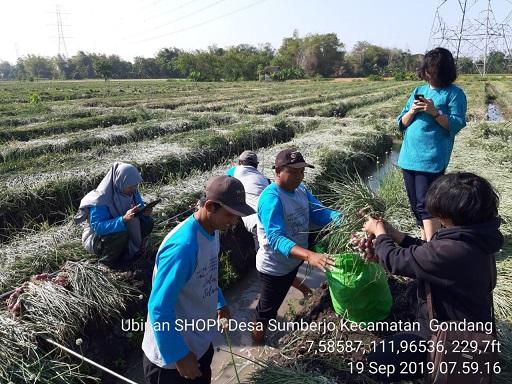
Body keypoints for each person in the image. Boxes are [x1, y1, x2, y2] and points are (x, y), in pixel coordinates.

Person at [363, 172, 503, 383]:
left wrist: (380, 233)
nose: (435, 214)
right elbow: (431, 253)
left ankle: (430, 368)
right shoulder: (476, 238)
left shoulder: (455, 250)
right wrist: (398, 237)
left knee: (378, 362)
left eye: (439, 210)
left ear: (454, 213)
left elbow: (395, 260)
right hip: (463, 322)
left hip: (453, 335)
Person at [142, 175, 254, 384]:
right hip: (171, 364)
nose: (234, 221)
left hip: (199, 343)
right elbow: (158, 308)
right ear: (210, 206)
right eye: (230, 215)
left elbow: (206, 274)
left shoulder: (212, 231)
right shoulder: (183, 248)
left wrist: (220, 302)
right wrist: (179, 355)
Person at [253, 149, 341, 343]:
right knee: (266, 312)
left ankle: (304, 290)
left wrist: (343, 218)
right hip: (274, 268)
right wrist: (310, 256)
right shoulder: (271, 198)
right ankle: (257, 342)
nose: (299, 177)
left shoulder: (301, 191)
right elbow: (276, 239)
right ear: (277, 171)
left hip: (293, 260)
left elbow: (320, 213)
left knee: (288, 279)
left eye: (302, 172)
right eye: (293, 173)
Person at [397, 47, 467, 241]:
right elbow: (401, 122)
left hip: (431, 158)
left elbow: (456, 123)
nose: (429, 74)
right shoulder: (419, 90)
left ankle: (433, 248)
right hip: (408, 156)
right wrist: (412, 111)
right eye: (427, 69)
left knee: (427, 205)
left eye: (434, 70)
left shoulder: (454, 94)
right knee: (416, 206)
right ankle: (426, 243)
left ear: (444, 71)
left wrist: (434, 112)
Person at [227, 150, 312, 297]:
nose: (299, 177)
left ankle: (295, 290)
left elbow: (223, 185)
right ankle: (303, 290)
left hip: (257, 224)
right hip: (265, 219)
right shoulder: (263, 178)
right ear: (256, 165)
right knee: (279, 263)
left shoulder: (235, 171)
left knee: (272, 266)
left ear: (240, 162)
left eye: (301, 172)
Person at [74, 162, 154, 266]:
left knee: (147, 223)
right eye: (130, 186)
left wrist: (144, 213)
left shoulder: (132, 193)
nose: (134, 189)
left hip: (123, 230)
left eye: (136, 186)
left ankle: (128, 253)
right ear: (120, 182)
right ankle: (106, 263)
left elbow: (139, 210)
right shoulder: (100, 200)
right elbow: (99, 227)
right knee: (120, 234)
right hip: (98, 238)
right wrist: (123, 219)